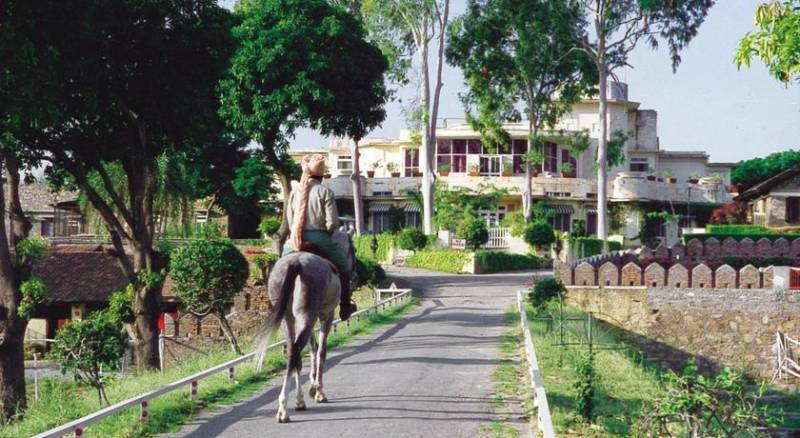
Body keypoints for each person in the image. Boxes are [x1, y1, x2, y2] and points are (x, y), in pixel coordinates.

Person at [283, 154, 357, 320]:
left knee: (280, 264)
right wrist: (328, 233)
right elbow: (332, 223)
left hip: (295, 240)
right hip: (320, 238)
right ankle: (345, 306)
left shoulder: (295, 192)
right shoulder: (325, 191)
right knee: (344, 266)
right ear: (321, 176)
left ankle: (275, 301)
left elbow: (290, 219)